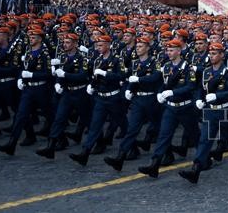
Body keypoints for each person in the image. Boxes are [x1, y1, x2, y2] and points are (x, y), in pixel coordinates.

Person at [179, 42, 228, 184]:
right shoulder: (206, 71)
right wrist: (199, 99)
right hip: (210, 111)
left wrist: (218, 96)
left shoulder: (227, 73)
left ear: (222, 55)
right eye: (210, 53)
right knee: (205, 140)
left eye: (215, 53)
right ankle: (195, 170)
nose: (211, 56)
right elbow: (200, 89)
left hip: (225, 111)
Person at [137, 39, 200, 178]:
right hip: (171, 108)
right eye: (167, 50)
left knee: (195, 136)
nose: (169, 53)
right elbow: (164, 84)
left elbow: (191, 86)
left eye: (172, 50)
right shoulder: (166, 67)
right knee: (163, 136)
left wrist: (173, 92)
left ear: (179, 51)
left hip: (185, 107)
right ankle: (154, 164)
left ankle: (202, 161)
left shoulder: (188, 67)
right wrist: (160, 92)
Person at [103, 36, 162, 171]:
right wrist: (129, 88)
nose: (138, 48)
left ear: (148, 48)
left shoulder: (154, 62)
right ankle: (120, 157)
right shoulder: (135, 63)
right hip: (138, 100)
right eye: (137, 46)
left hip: (152, 99)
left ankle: (166, 153)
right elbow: (128, 77)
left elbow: (155, 77)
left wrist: (139, 79)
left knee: (159, 129)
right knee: (132, 129)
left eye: (141, 46)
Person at [68, 35, 127, 165]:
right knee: (94, 126)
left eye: (101, 45)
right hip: (101, 97)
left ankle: (131, 148)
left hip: (114, 97)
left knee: (124, 125)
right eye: (97, 45)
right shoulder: (98, 60)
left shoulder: (117, 59)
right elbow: (95, 77)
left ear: (108, 45)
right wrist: (92, 85)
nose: (98, 48)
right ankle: (85, 153)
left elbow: (122, 76)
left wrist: (106, 74)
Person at [0, 29, 51, 155]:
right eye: (30, 37)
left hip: (41, 89)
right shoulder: (27, 50)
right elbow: (22, 67)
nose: (30, 39)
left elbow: (47, 74)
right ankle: (12, 144)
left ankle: (58, 140)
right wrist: (21, 78)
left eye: (33, 37)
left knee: (50, 115)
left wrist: (31, 75)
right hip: (28, 89)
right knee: (21, 115)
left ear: (39, 39)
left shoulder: (44, 53)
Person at [36, 32, 90, 159]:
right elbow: (60, 73)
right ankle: (51, 146)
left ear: (76, 44)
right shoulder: (62, 57)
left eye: (68, 42)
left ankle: (98, 142)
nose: (64, 45)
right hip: (67, 92)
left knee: (87, 119)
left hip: (80, 92)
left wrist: (64, 76)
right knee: (59, 118)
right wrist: (59, 83)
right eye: (64, 42)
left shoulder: (83, 58)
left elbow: (83, 76)